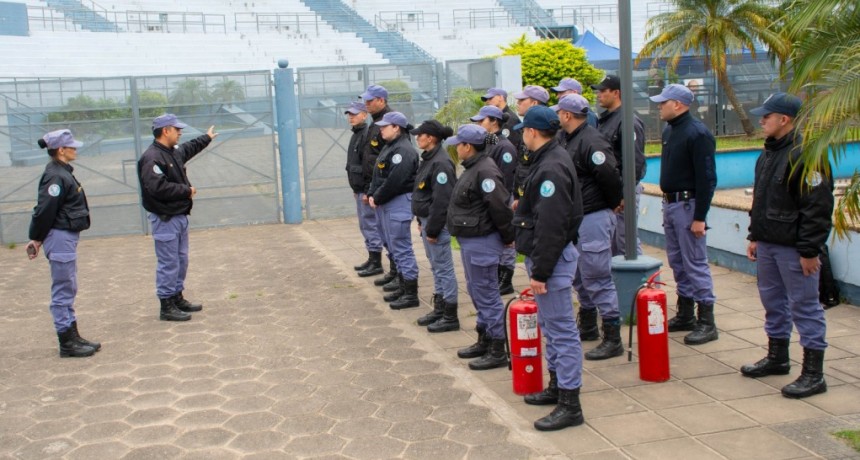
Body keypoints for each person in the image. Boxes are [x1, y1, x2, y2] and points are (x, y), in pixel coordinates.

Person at [740, 92, 834, 399]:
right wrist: (755, 235)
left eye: (767, 116)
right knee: (773, 303)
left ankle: (813, 374)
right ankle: (778, 357)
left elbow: (817, 207)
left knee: (805, 307)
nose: (761, 120)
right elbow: (761, 199)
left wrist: (809, 250)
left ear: (785, 119)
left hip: (794, 248)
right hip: (768, 242)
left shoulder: (806, 154)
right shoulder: (767, 153)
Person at [512, 105, 585, 431]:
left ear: (531, 132)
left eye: (523, 132)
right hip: (549, 257)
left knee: (562, 332)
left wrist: (540, 271)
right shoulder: (548, 159)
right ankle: (557, 387)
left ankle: (571, 404)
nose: (522, 137)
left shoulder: (551, 167)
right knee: (553, 330)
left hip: (551, 261)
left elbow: (552, 224)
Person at [553, 95, 624, 360]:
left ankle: (613, 336)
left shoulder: (591, 141)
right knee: (580, 276)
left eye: (560, 111)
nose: (558, 116)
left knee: (597, 276)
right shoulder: (569, 139)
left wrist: (613, 202)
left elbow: (609, 176)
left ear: (568, 115)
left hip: (593, 216)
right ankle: (588, 325)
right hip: (578, 218)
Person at [650, 84, 718, 345]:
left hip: (688, 206)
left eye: (663, 102)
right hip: (671, 205)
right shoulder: (671, 131)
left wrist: (700, 216)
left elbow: (707, 178)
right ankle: (686, 313)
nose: (659, 107)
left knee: (695, 262)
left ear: (677, 104)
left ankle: (707, 320)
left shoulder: (697, 133)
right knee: (677, 262)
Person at [445, 124, 515, 371]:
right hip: (471, 240)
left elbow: (500, 207)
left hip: (483, 241)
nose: (456, 148)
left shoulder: (485, 171)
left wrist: (508, 237)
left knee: (487, 294)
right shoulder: (474, 168)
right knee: (477, 292)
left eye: (458, 144)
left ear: (468, 146)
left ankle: (497, 347)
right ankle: (484, 338)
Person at [137, 114, 218, 321]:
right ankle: (166, 305)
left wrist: (206, 138)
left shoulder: (170, 152)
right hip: (165, 218)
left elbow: (188, 149)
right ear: (165, 131)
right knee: (169, 262)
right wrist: (186, 191)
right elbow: (157, 187)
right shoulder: (152, 157)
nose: (180, 132)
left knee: (181, 260)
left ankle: (177, 297)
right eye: (176, 129)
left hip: (179, 215)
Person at [26, 129, 99, 357]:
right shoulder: (55, 176)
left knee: (69, 285)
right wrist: (36, 238)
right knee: (63, 289)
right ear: (61, 150)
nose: (75, 149)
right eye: (72, 146)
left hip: (65, 236)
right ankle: (67, 342)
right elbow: (45, 210)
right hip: (59, 236)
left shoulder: (62, 171)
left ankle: (73, 335)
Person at [367, 111, 420, 310]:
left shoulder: (403, 151)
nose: (381, 130)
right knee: (391, 244)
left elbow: (395, 181)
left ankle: (410, 293)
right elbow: (378, 174)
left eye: (385, 126)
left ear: (396, 127)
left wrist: (377, 196)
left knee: (401, 246)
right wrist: (373, 193)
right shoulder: (391, 147)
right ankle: (402, 283)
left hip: (397, 201)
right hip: (386, 201)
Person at [410, 120, 459, 332]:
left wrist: (433, 228)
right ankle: (439, 309)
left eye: (420, 135)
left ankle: (450, 315)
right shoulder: (429, 158)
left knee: (444, 269)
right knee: (435, 267)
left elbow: (442, 201)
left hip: (436, 224)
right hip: (427, 221)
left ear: (430, 138)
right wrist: (421, 221)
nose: (417, 137)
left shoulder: (441, 163)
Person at [592, 74, 647, 256]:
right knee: (614, 243)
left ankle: (640, 283)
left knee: (626, 242)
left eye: (603, 91)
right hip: (612, 190)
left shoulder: (627, 121)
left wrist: (625, 194)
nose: (599, 95)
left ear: (616, 93)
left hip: (624, 191)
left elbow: (635, 162)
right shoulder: (607, 119)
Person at [470, 105, 518, 295]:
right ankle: (498, 274)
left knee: (507, 239)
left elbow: (505, 178)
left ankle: (506, 279)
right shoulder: (490, 142)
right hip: (490, 197)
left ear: (494, 122)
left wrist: (500, 201)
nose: (479, 124)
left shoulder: (504, 146)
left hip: (502, 197)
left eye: (482, 121)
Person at [359, 84, 397, 285]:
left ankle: (399, 274)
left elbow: (391, 162)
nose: (367, 104)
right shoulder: (375, 123)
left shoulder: (391, 122)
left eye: (370, 100)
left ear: (381, 100)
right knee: (383, 233)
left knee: (393, 237)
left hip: (386, 190)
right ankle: (393, 272)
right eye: (365, 100)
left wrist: (377, 190)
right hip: (375, 188)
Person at [344, 101, 385, 277]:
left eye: (355, 113)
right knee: (365, 225)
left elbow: (369, 164)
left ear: (364, 115)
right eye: (349, 114)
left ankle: (376, 262)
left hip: (365, 188)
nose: (351, 117)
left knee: (370, 224)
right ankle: (372, 258)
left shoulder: (366, 134)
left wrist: (367, 190)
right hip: (359, 187)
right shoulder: (357, 134)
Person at [512, 85, 550, 211]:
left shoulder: (544, 129)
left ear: (534, 103)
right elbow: (522, 165)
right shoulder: (527, 127)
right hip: (524, 199)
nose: (518, 103)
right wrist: (517, 196)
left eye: (522, 100)